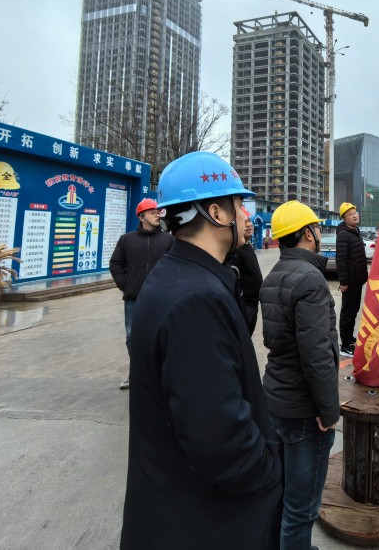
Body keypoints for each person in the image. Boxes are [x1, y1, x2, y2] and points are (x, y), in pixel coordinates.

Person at [120, 152, 282, 549]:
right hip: (204, 523)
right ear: (216, 213)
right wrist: (270, 472)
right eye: (238, 203)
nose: (245, 214)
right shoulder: (197, 299)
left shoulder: (178, 275)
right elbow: (219, 439)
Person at [260, 200, 339, 550]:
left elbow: (275, 341)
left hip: (276, 399)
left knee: (282, 494)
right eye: (317, 228)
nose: (320, 233)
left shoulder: (273, 276)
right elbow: (316, 353)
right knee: (302, 508)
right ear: (308, 234)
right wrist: (328, 410)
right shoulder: (310, 279)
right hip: (304, 410)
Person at [109, 197, 173, 389]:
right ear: (141, 216)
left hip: (162, 298)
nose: (157, 215)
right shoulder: (127, 240)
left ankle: (162, 374)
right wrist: (125, 284)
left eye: (158, 212)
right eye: (152, 212)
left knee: (162, 336)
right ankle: (137, 374)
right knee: (133, 336)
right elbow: (115, 264)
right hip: (134, 298)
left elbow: (176, 264)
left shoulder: (168, 239)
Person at [335, 202, 369, 356]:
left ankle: (349, 337)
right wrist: (343, 282)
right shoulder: (343, 234)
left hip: (357, 280)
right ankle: (345, 346)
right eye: (350, 214)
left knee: (354, 310)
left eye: (355, 212)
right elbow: (341, 260)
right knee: (347, 313)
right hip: (349, 282)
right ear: (344, 218)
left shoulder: (355, 230)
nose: (355, 215)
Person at [227, 206, 263, 335]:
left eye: (249, 221)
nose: (249, 225)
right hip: (245, 306)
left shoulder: (247, 246)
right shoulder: (236, 251)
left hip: (253, 304)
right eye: (245, 221)